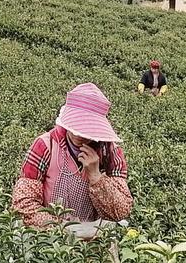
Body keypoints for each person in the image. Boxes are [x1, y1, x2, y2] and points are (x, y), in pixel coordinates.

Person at [12, 83, 132, 232]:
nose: (78, 135)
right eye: (75, 127)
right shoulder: (45, 145)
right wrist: (61, 229)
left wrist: (95, 176)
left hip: (93, 243)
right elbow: (24, 201)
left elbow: (120, 212)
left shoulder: (110, 152)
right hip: (48, 239)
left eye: (86, 128)